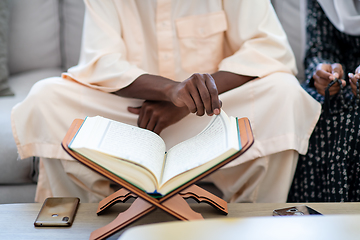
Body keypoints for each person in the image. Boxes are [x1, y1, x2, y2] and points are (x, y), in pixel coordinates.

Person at [12, 0, 321, 203]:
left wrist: (183, 103)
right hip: (133, 117)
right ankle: (76, 220)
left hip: (211, 118)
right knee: (46, 97)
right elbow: (101, 63)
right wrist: (171, 91)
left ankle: (257, 222)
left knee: (285, 93)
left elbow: (268, 50)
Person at [288, 0, 360, 202]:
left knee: (352, 121)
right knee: (307, 109)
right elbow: (319, 48)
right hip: (342, 87)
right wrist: (321, 72)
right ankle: (317, 220)